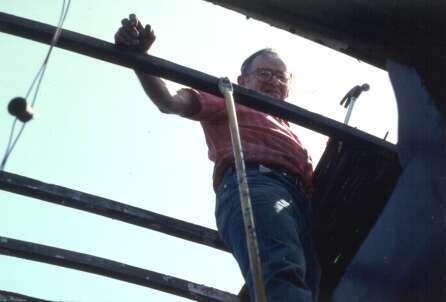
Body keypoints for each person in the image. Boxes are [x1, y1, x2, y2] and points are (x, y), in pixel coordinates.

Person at [115, 14, 320, 301]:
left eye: (281, 76)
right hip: (257, 184)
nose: (274, 81)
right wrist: (140, 59)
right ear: (243, 80)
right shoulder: (229, 100)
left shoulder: (289, 129)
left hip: (297, 200)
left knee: (310, 283)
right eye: (265, 74)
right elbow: (169, 101)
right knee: (281, 271)